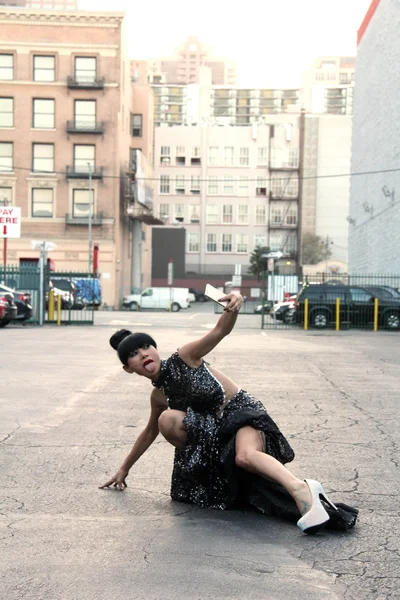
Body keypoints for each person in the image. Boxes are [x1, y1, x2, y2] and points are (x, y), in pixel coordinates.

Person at [100, 291, 358, 534]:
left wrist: (234, 303)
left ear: (155, 349)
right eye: (134, 354)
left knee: (245, 457)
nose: (143, 353)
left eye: (146, 346)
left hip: (241, 413)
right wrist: (124, 469)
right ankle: (218, 472)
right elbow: (148, 433)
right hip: (215, 433)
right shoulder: (159, 395)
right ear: (128, 368)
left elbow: (220, 330)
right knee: (165, 419)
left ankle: (303, 491)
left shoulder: (185, 356)